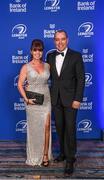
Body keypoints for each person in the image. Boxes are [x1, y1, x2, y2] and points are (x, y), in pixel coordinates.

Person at [47, 30, 85, 177]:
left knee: (70, 129)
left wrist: (78, 99)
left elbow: (81, 79)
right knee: (60, 128)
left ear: (67, 40)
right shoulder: (50, 56)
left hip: (71, 100)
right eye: (57, 39)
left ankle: (70, 159)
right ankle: (63, 153)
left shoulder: (76, 56)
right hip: (55, 99)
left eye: (63, 39)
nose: (60, 42)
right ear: (54, 41)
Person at [18, 39, 51, 166]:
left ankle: (45, 155)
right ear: (31, 51)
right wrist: (26, 99)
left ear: (42, 51)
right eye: (35, 50)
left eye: (40, 50)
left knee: (47, 126)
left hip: (46, 99)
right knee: (34, 129)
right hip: (32, 102)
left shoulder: (47, 65)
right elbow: (20, 84)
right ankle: (34, 156)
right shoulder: (25, 67)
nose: (38, 52)